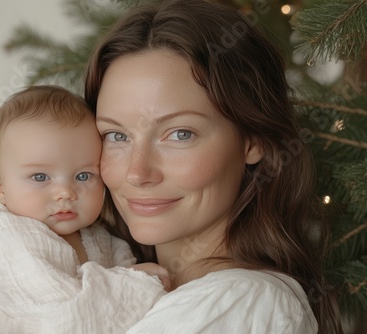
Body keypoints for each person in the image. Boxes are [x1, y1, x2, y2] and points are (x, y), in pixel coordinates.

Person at [84, 0, 343, 333]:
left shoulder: (244, 303)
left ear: (253, 141)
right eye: (117, 135)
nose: (137, 173)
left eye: (179, 134)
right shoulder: (108, 284)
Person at [0, 85, 168, 333]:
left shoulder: (108, 246)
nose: (66, 193)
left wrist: (135, 279)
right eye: (39, 177)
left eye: (83, 176)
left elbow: (124, 304)